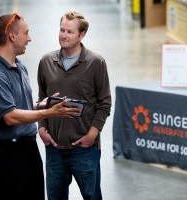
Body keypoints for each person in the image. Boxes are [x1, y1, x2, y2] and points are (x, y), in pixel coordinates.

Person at [0, 13, 81, 200]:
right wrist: (48, 112)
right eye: (26, 33)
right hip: (9, 155)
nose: (30, 38)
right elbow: (10, 116)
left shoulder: (19, 66)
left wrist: (39, 105)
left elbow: (18, 107)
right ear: (12, 36)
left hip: (28, 150)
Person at [37, 11, 112, 200]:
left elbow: (105, 103)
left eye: (70, 32)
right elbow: (42, 98)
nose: (63, 35)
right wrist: (42, 127)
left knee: (92, 196)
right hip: (54, 147)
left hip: (84, 148)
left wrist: (92, 135)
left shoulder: (96, 63)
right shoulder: (46, 62)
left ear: (82, 35)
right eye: (62, 30)